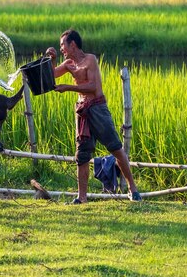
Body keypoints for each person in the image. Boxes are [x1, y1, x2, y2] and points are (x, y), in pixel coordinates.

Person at [45, 29, 141, 203]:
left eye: (62, 46)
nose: (61, 49)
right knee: (82, 155)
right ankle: (82, 197)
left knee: (115, 148)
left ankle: (133, 190)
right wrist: (52, 60)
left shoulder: (90, 60)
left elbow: (92, 87)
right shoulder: (68, 64)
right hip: (82, 111)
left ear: (72, 44)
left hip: (97, 108)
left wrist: (68, 87)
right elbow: (51, 76)